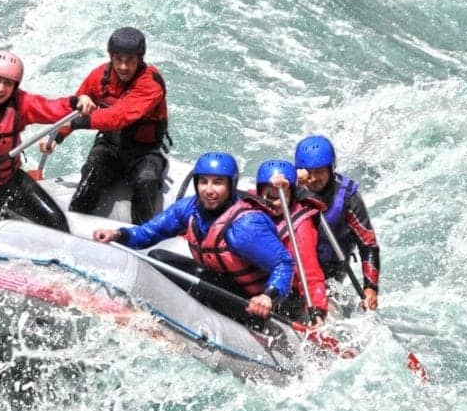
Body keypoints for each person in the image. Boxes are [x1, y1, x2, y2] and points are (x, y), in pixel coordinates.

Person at [93, 152, 294, 321]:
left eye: (217, 183)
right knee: (157, 257)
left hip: (248, 303)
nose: (208, 190)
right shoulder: (190, 208)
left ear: (231, 186)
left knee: (198, 281)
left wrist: (268, 297)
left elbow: (284, 263)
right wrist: (117, 235)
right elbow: (149, 233)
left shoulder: (245, 227)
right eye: (203, 182)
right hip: (219, 281)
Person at [0, 50, 96, 232]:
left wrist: (76, 102)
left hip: (8, 179)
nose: (1, 89)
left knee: (57, 222)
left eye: (8, 83)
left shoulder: (21, 103)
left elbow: (49, 108)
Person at [40, 26, 170, 225]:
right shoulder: (100, 76)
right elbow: (76, 109)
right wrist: (56, 137)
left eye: (130, 60)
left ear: (140, 59)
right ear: (111, 56)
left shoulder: (151, 84)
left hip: (145, 152)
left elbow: (119, 116)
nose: (123, 67)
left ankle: (142, 235)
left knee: (147, 180)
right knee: (91, 175)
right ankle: (71, 229)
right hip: (110, 147)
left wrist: (79, 123)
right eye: (118, 59)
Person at [294, 135, 380, 310]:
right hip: (296, 266)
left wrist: (370, 288)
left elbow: (368, 244)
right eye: (308, 172)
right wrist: (291, 184)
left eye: (319, 171)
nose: (313, 179)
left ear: (331, 169)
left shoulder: (348, 197)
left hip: (330, 270)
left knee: (328, 309)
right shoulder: (288, 189)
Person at [253, 159, 328, 324]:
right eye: (271, 197)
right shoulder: (251, 205)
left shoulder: (299, 229)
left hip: (288, 294)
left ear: (292, 196)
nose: (277, 203)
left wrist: (317, 312)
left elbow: (311, 277)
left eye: (282, 197)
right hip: (255, 281)